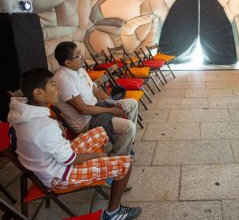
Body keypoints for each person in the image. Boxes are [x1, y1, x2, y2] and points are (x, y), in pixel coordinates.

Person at [7, 68, 141, 219]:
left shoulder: (19, 113)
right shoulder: (43, 127)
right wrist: (99, 154)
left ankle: (112, 172)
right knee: (127, 164)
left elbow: (47, 140)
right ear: (38, 93)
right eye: (53, 85)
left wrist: (56, 126)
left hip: (48, 161)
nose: (58, 89)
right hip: (58, 175)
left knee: (100, 132)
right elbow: (69, 160)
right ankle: (113, 212)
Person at [53, 41, 138, 157]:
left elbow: (96, 91)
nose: (82, 57)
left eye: (80, 53)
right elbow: (83, 109)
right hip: (86, 121)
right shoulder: (63, 79)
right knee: (129, 127)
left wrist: (113, 102)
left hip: (97, 106)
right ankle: (116, 156)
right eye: (78, 55)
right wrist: (111, 110)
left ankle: (125, 143)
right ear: (68, 62)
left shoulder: (80, 70)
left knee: (132, 103)